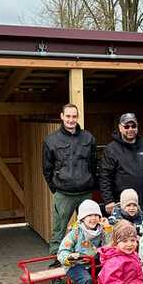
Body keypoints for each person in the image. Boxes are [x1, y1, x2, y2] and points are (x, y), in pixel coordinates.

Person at [43, 103, 97, 256]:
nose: (71, 120)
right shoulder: (51, 140)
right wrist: (55, 188)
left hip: (85, 192)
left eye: (74, 116)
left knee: (90, 228)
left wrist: (91, 183)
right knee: (59, 229)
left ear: (78, 117)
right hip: (64, 194)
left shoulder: (88, 137)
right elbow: (47, 168)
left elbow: (94, 164)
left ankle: (90, 260)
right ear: (62, 116)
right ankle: (57, 261)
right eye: (68, 116)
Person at [57, 199, 112, 284]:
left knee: (110, 275)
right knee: (86, 280)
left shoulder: (102, 231)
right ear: (82, 218)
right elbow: (62, 251)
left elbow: (110, 246)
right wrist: (70, 257)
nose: (93, 218)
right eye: (89, 215)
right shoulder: (76, 232)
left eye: (96, 215)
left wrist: (108, 228)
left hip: (94, 263)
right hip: (76, 265)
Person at [100, 113, 143, 214]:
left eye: (133, 126)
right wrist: (108, 200)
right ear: (120, 128)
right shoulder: (111, 149)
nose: (130, 129)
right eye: (126, 126)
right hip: (122, 203)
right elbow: (105, 177)